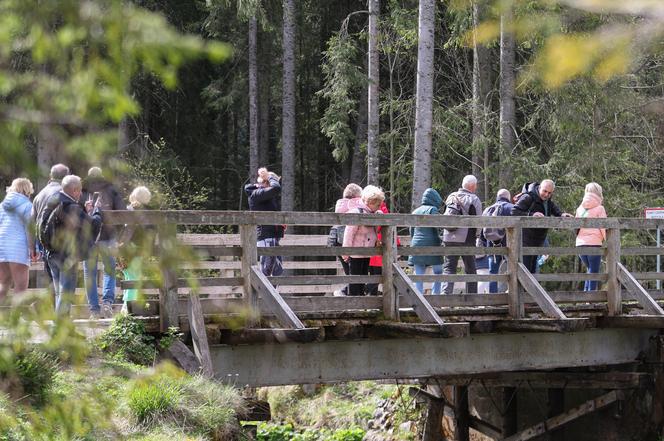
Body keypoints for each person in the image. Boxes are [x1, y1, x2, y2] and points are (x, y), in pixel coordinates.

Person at [45, 175, 102, 316]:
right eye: (80, 190)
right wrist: (96, 212)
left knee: (60, 293)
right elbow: (92, 225)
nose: (81, 193)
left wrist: (85, 210)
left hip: (51, 252)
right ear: (75, 190)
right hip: (66, 255)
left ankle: (63, 328)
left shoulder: (54, 201)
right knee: (67, 293)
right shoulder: (70, 206)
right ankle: (59, 329)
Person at [81, 167, 125, 319]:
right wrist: (118, 235)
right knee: (109, 270)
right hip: (108, 236)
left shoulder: (81, 190)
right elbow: (122, 213)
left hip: (88, 239)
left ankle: (94, 309)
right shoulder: (111, 190)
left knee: (89, 274)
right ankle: (107, 303)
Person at [511, 179, 572, 273]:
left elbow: (554, 210)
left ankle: (527, 288)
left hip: (537, 241)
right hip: (525, 241)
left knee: (531, 272)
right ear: (539, 188)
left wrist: (562, 215)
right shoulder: (528, 197)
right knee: (525, 272)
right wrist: (531, 215)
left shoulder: (548, 201)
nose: (547, 195)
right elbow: (514, 211)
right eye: (545, 191)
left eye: (549, 193)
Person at [31, 163, 70, 296]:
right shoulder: (65, 194)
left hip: (44, 243)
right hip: (63, 243)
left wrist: (33, 249)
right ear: (67, 177)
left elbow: (32, 224)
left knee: (52, 281)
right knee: (65, 283)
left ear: (50, 176)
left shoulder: (39, 195)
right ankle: (61, 314)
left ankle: (54, 312)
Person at [442, 175, 483, 294]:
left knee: (449, 268)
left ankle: (445, 297)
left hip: (448, 237)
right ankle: (471, 298)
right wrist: (477, 236)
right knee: (470, 269)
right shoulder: (474, 199)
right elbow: (479, 221)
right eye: (475, 185)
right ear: (472, 186)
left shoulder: (451, 196)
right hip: (466, 239)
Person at [342, 185, 385, 296]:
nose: (379, 207)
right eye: (378, 205)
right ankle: (354, 302)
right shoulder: (357, 213)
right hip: (356, 252)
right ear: (370, 202)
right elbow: (349, 233)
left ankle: (362, 301)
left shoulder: (373, 214)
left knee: (364, 276)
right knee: (355, 278)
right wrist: (346, 251)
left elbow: (375, 230)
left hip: (367, 252)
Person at [119, 186, 153, 314]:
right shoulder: (147, 213)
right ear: (147, 198)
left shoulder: (127, 209)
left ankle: (125, 308)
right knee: (134, 279)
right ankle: (128, 309)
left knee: (129, 277)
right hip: (137, 248)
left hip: (124, 247)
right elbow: (150, 232)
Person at [0, 178, 36, 300]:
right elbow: (29, 230)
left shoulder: (2, 205)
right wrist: (33, 249)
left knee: (3, 284)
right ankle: (16, 317)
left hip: (2, 248)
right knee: (20, 286)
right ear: (27, 190)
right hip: (18, 248)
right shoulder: (27, 205)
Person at [244, 167, 284, 276]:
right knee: (267, 271)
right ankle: (265, 293)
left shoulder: (262, 195)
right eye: (271, 181)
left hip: (271, 237)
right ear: (267, 182)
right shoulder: (257, 193)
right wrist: (270, 176)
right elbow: (276, 188)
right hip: (266, 237)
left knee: (277, 271)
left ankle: (273, 293)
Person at [329, 183, 363, 296]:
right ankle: (347, 294)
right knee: (354, 273)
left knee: (351, 272)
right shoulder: (355, 204)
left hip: (335, 238)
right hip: (345, 239)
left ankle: (346, 293)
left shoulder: (340, 204)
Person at [408, 188, 444, 295]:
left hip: (416, 245)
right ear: (435, 199)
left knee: (419, 274)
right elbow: (439, 226)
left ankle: (419, 299)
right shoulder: (432, 210)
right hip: (432, 244)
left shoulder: (415, 211)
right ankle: (435, 296)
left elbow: (412, 230)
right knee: (438, 272)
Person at [481, 189, 514, 293]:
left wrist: (485, 243)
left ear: (497, 197)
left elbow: (482, 231)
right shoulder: (511, 208)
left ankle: (492, 297)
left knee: (493, 272)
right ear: (508, 198)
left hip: (491, 245)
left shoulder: (487, 210)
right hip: (508, 246)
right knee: (512, 270)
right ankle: (512, 293)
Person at [575, 182, 607, 291]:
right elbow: (603, 226)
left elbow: (576, 225)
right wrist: (607, 239)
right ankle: (591, 297)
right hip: (594, 243)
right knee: (594, 272)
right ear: (599, 193)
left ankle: (586, 295)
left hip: (580, 244)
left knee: (590, 269)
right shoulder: (600, 208)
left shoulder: (580, 208)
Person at [367, 201, 399, 296]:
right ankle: (367, 292)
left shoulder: (373, 212)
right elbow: (392, 234)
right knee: (378, 278)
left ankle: (370, 299)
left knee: (374, 278)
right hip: (380, 252)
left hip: (374, 251)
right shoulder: (384, 212)